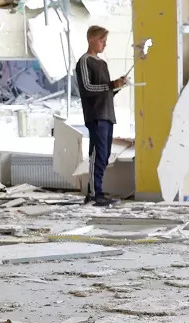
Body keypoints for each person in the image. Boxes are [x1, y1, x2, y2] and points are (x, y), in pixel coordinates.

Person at [76, 26, 126, 207]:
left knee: (103, 155)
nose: (105, 44)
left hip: (107, 114)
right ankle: (94, 193)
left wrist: (117, 86)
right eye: (102, 40)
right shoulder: (84, 61)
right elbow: (88, 88)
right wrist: (111, 85)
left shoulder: (103, 64)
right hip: (95, 115)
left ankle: (97, 190)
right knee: (97, 154)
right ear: (91, 40)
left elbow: (107, 92)